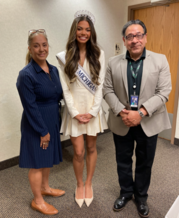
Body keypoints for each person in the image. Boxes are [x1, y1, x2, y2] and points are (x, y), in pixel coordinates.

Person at [103, 20, 172, 218]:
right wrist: (122, 112)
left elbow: (164, 92)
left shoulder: (160, 60)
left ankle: (141, 197)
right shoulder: (113, 62)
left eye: (139, 35)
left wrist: (140, 113)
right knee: (122, 161)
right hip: (121, 120)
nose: (135, 40)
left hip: (148, 121)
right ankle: (125, 193)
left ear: (145, 37)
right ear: (124, 40)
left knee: (145, 161)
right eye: (130, 36)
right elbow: (107, 89)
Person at [56, 10, 107, 208]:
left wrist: (93, 111)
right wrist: (75, 112)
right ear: (74, 31)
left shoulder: (99, 54)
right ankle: (79, 184)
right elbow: (65, 88)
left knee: (92, 148)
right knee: (78, 152)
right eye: (79, 29)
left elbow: (100, 85)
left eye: (87, 29)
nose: (83, 33)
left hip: (92, 111)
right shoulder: (65, 56)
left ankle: (88, 183)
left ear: (91, 32)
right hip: (75, 112)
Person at [16, 29, 65, 215]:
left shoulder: (53, 69)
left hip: (52, 119)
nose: (41, 49)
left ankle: (45, 187)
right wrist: (42, 131)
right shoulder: (26, 75)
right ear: (30, 48)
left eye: (44, 45)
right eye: (36, 46)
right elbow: (30, 107)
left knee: (46, 159)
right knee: (37, 162)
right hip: (36, 123)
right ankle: (37, 201)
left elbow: (59, 95)